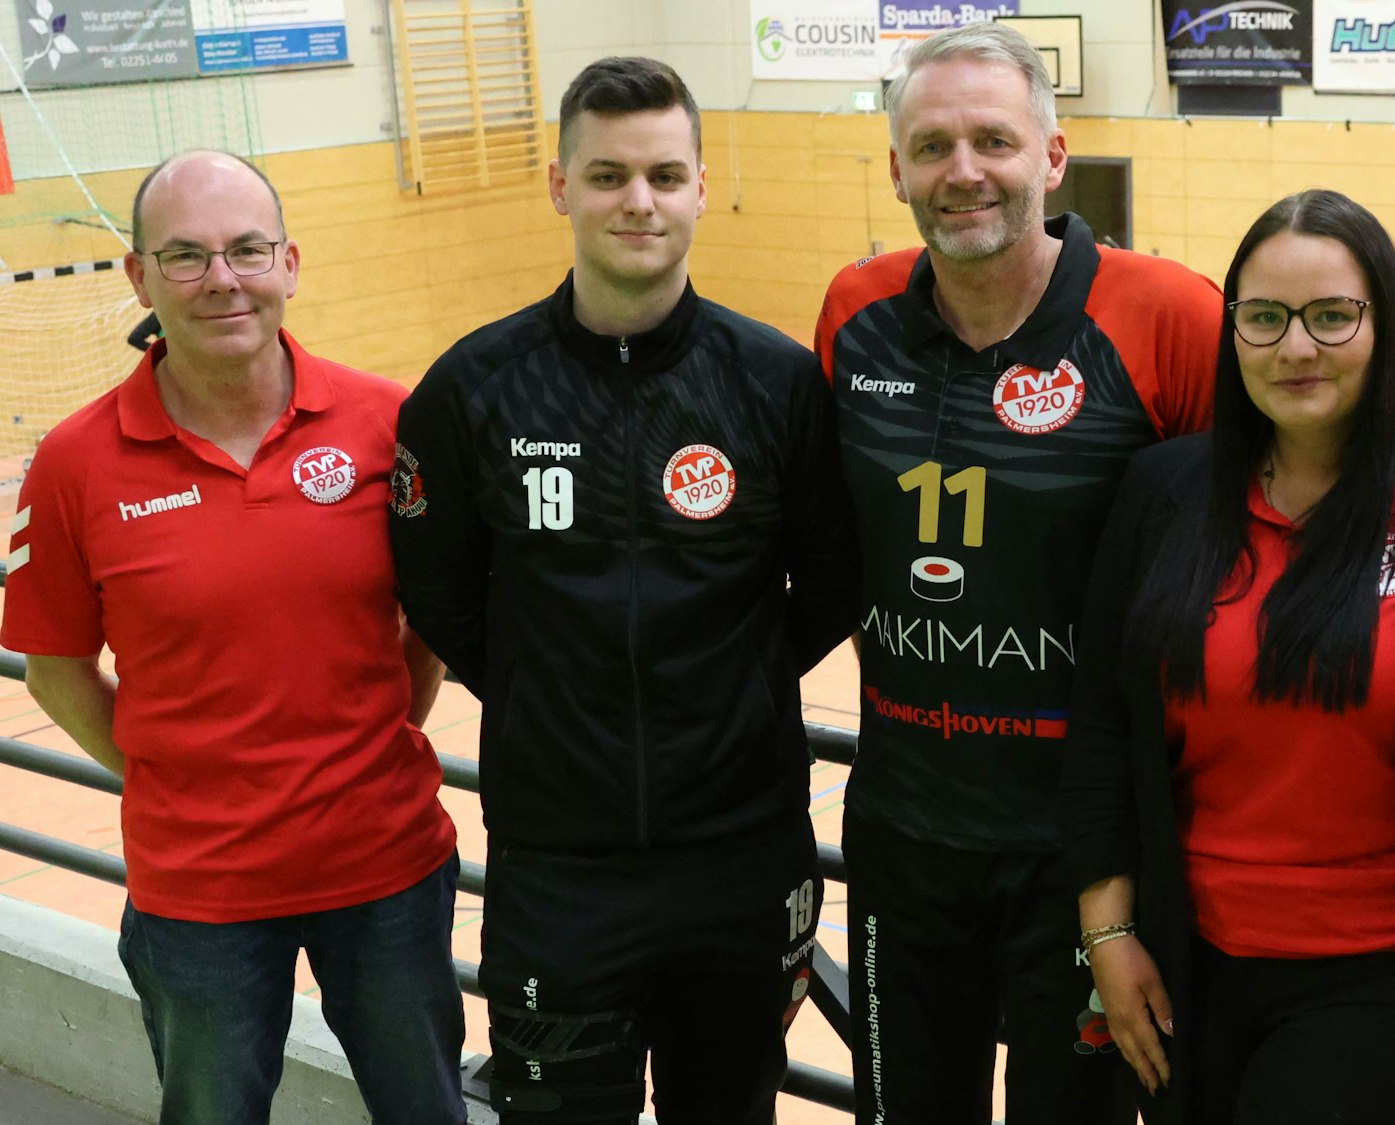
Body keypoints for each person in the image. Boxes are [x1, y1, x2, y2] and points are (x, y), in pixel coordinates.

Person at [389, 57, 858, 1125]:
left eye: (660, 174)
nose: (635, 201)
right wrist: (549, 686)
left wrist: (726, 677)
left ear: (699, 184)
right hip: (560, 873)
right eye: (606, 176)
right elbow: (438, 589)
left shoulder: (774, 381)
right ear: (560, 186)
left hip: (741, 861)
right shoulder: (474, 388)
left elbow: (830, 583)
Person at [1061, 189, 1395, 1123]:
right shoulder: (1163, 493)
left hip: (1382, 987)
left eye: (1332, 316)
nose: (1296, 347)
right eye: (1264, 317)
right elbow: (1101, 722)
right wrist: (1109, 928)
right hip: (1187, 969)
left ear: (1386, 324)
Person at [0, 150, 463, 1125]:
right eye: (186, 256)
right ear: (138, 276)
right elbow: (54, 671)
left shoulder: (391, 424)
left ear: (289, 262)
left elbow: (428, 627)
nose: (224, 279)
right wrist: (169, 777)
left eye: (248, 250)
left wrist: (369, 741)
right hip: (198, 895)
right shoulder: (75, 463)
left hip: (386, 870)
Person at [813, 22, 1221, 1124]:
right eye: (931, 145)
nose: (962, 171)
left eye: (992, 139)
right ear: (895, 167)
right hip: (903, 843)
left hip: (1083, 864)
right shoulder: (854, 315)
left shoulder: (1167, 317)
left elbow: (1252, 548)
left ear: (1050, 157)